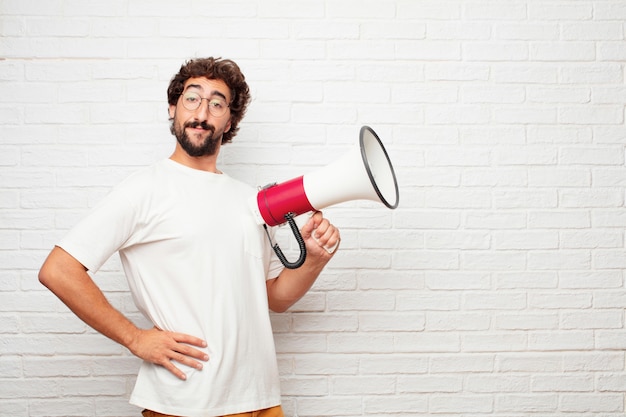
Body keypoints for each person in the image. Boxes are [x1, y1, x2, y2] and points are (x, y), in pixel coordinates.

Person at [38, 57, 340, 417]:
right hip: (186, 402)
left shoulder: (252, 201)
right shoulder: (144, 189)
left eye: (217, 103)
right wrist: (135, 338)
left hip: (260, 399)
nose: (203, 112)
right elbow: (58, 270)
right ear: (173, 108)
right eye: (192, 98)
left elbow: (275, 297)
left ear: (229, 121)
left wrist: (315, 258)